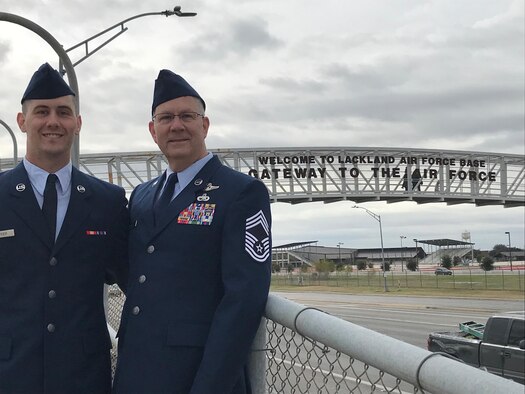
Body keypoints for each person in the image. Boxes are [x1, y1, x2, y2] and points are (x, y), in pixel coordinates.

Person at [113, 70, 272, 394]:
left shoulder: (240, 192)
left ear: (205, 125)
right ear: (152, 130)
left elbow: (243, 299)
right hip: (135, 372)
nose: (176, 125)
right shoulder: (142, 195)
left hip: (196, 376)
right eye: (166, 118)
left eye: (187, 116)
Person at [0, 63, 128, 394]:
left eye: (63, 112)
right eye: (41, 112)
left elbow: (136, 278)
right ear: (22, 121)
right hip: (11, 374)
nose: (53, 121)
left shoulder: (109, 202)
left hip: (84, 377)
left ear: (78, 123)